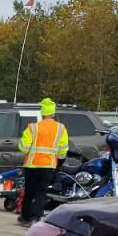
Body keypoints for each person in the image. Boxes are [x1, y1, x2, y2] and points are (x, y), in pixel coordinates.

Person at [16, 97, 70, 227]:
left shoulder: (32, 127)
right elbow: (63, 150)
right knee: (41, 192)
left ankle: (25, 218)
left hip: (31, 165)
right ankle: (36, 217)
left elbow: (23, 148)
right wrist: (59, 162)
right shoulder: (61, 129)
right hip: (48, 166)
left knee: (29, 193)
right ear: (53, 113)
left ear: (42, 112)